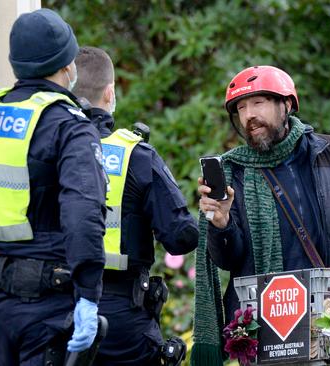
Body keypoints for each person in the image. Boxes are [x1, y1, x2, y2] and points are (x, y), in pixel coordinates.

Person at [0, 9, 107, 365]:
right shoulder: (69, 126)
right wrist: (89, 295)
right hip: (49, 303)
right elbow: (83, 214)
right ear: (66, 67)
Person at [196, 65, 330, 336]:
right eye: (241, 109)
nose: (249, 116)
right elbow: (229, 260)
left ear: (287, 105)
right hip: (264, 328)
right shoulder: (235, 172)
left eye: (258, 103)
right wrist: (220, 225)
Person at [73, 46, 199, 365]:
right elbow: (181, 236)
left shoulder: (48, 144)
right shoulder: (135, 156)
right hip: (122, 319)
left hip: (58, 309)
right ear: (110, 93)